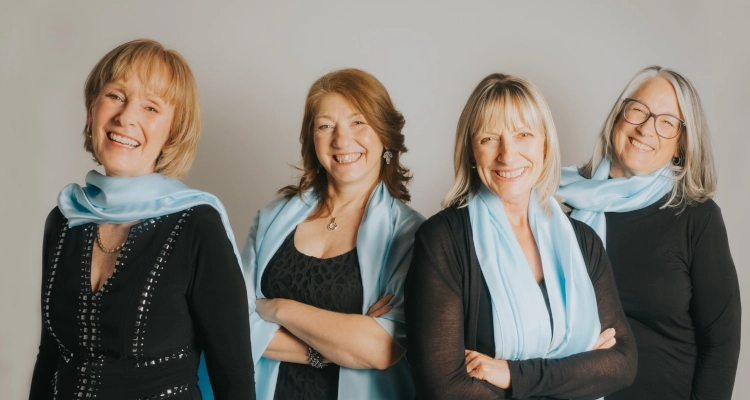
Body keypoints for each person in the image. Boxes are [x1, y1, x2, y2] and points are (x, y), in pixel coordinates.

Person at [29, 39, 255, 400]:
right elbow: (50, 356)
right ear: (92, 108)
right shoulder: (64, 219)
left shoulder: (199, 226)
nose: (126, 117)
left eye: (151, 107)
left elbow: (235, 378)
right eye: (116, 96)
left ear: (173, 133)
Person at [405, 73, 637, 399]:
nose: (507, 155)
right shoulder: (442, 241)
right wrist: (577, 370)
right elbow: (445, 388)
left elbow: (622, 363)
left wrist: (512, 375)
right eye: (489, 139)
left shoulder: (583, 243)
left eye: (523, 135)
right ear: (471, 151)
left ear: (545, 144)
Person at [557, 65, 741, 399]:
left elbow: (721, 343)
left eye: (667, 122)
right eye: (639, 111)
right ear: (618, 115)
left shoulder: (696, 217)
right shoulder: (555, 198)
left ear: (682, 144)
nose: (646, 129)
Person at [244, 68, 424, 400]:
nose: (341, 140)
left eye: (358, 123)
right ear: (312, 140)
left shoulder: (411, 234)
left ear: (385, 134)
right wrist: (331, 348)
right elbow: (233, 324)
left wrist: (276, 309)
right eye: (325, 126)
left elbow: (380, 347)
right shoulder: (270, 220)